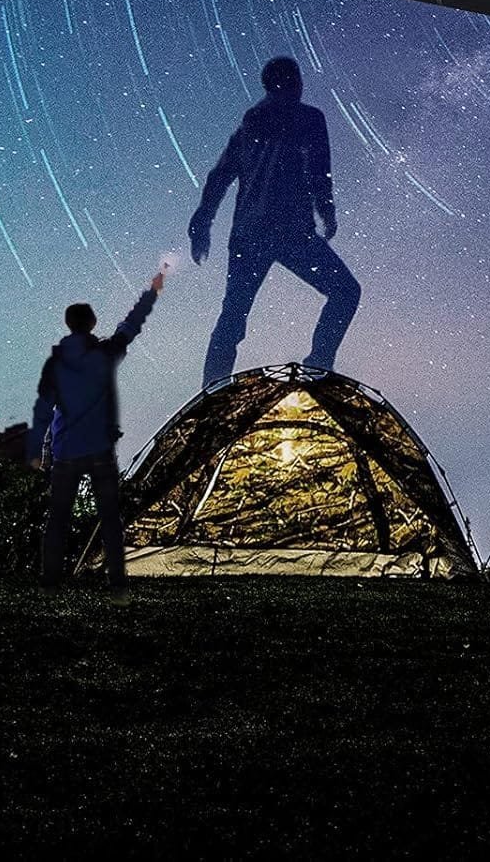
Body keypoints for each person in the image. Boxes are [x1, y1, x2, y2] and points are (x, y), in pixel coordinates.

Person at [189, 55, 361, 386]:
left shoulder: (248, 127)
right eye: (297, 80)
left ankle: (213, 388)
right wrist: (327, 212)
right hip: (292, 233)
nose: (300, 86)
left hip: (248, 234)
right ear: (291, 83)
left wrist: (203, 221)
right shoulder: (309, 118)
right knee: (345, 292)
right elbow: (320, 171)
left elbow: (219, 176)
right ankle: (317, 368)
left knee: (233, 314)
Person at [29, 272, 165, 603]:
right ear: (92, 324)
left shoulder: (56, 363)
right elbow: (131, 325)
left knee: (57, 519)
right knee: (110, 520)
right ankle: (117, 588)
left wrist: (36, 450)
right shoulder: (105, 353)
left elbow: (43, 407)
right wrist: (151, 293)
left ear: (69, 325)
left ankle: (49, 585)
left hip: (65, 450)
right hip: (100, 449)